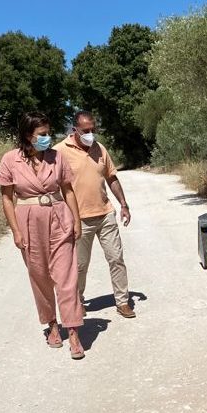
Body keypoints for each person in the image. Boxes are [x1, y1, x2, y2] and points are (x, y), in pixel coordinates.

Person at [0, 112, 86, 360]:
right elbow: (6, 197)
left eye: (48, 133)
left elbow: (68, 189)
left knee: (67, 277)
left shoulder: (58, 158)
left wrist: (76, 220)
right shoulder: (10, 160)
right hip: (28, 221)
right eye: (42, 135)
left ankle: (74, 331)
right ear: (28, 136)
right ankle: (53, 325)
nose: (48, 138)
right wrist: (15, 230)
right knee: (40, 276)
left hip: (59, 218)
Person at [52, 111, 135, 319]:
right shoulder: (59, 152)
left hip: (105, 214)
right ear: (75, 130)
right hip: (78, 219)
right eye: (86, 131)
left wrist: (124, 204)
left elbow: (111, 178)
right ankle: (77, 302)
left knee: (116, 258)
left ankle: (123, 302)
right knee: (79, 266)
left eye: (93, 130)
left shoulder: (100, 149)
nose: (90, 134)